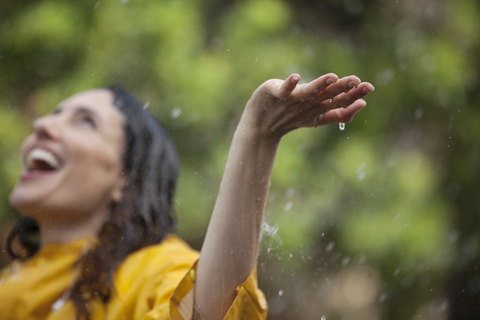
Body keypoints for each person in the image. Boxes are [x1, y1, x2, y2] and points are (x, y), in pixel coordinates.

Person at [0, 73, 374, 320]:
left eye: (84, 122)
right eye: (53, 114)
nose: (42, 124)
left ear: (124, 178)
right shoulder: (12, 286)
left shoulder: (155, 270)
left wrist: (258, 136)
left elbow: (207, 312)